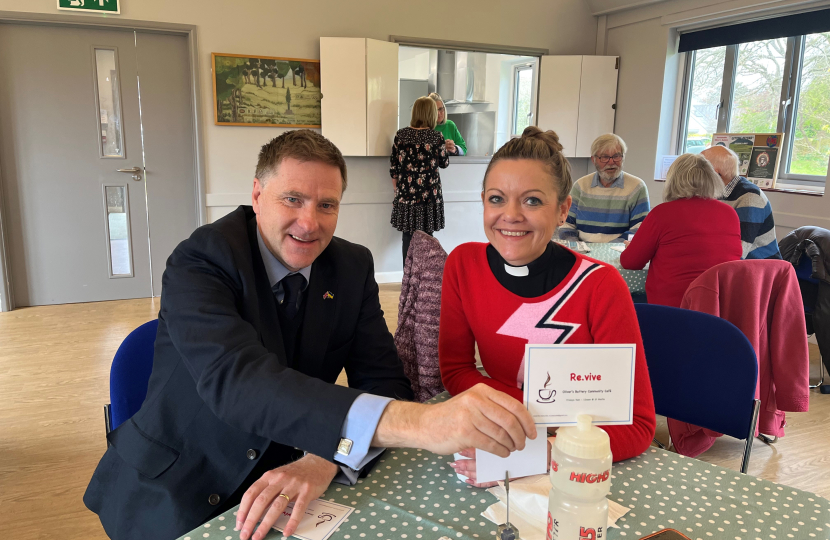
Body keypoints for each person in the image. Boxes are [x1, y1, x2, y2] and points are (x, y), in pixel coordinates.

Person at [84, 130, 537, 540]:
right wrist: (422, 423)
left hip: (285, 483)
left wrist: (323, 458)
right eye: (292, 199)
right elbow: (240, 382)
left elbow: (383, 380)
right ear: (257, 195)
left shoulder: (352, 266)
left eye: (327, 205)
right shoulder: (200, 260)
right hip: (173, 486)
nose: (310, 223)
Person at [439, 126, 656, 487]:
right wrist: (525, 422)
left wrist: (539, 450)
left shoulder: (601, 286)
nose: (510, 215)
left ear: (563, 209)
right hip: (506, 438)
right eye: (496, 199)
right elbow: (456, 372)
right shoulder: (463, 264)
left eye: (532, 201)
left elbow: (638, 425)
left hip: (578, 467)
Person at [620, 153, 742, 307]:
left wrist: (633, 248)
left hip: (673, 309)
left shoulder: (662, 213)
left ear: (673, 181)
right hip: (719, 307)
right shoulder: (729, 213)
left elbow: (630, 262)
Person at [390, 96, 450, 263]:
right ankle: (424, 281)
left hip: (406, 196)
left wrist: (397, 192)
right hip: (429, 197)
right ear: (431, 114)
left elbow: (393, 167)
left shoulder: (401, 135)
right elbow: (444, 163)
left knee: (408, 238)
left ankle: (408, 280)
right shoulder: (436, 137)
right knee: (427, 237)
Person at [559, 134, 650, 243]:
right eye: (604, 157)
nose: (611, 162)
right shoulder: (580, 186)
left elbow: (640, 230)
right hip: (582, 252)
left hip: (617, 253)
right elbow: (566, 224)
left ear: (623, 157)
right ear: (594, 160)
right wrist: (577, 247)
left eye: (616, 156)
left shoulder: (637, 188)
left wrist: (606, 250)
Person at [701, 145, 782, 260]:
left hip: (761, 269)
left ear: (715, 173)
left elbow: (739, 252)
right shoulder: (716, 191)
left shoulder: (750, 197)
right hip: (737, 265)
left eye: (700, 168)